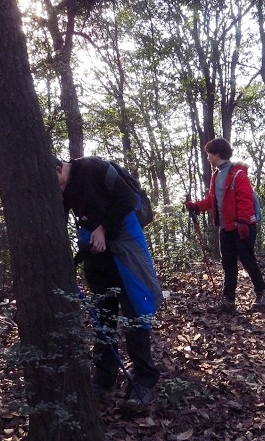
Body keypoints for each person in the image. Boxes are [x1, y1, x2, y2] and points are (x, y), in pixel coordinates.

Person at [54, 155, 162, 406]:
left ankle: (145, 379)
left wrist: (103, 229)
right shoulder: (61, 188)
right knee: (103, 311)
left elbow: (127, 200)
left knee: (134, 310)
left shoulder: (91, 168)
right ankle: (104, 377)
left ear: (59, 169)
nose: (59, 192)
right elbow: (60, 217)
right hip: (96, 248)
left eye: (57, 184)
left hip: (124, 239)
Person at [184, 138, 265, 314]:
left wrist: (244, 221)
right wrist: (196, 206)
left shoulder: (238, 174)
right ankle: (228, 301)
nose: (207, 157)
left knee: (247, 260)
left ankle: (262, 294)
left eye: (209, 153)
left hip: (242, 227)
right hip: (226, 228)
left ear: (217, 154)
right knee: (228, 263)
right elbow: (212, 200)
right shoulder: (216, 175)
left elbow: (245, 198)